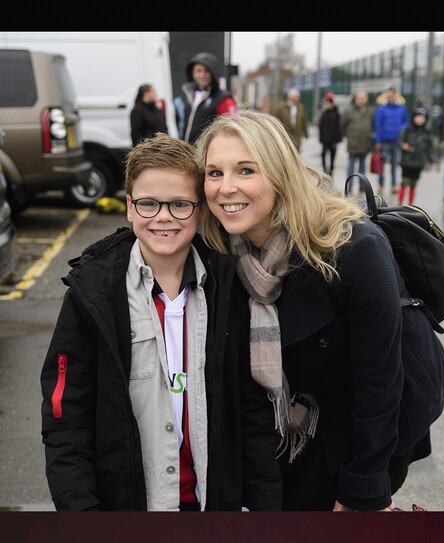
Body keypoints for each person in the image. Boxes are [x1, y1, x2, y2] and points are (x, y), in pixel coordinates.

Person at [39, 133, 282, 511]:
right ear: (129, 207)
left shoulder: (228, 289)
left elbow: (252, 415)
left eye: (180, 204)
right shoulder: (91, 295)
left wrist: (264, 509)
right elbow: (66, 418)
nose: (163, 217)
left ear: (200, 210)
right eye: (148, 204)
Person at [194, 110, 405, 512]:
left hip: (346, 446)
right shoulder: (219, 251)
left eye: (245, 170)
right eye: (214, 173)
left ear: (279, 174)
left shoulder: (352, 248)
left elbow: (380, 382)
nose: (226, 188)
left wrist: (364, 489)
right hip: (267, 451)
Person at [179, 52, 238, 145]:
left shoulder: (224, 99)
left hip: (207, 153)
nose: (203, 75)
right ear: (193, 73)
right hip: (188, 152)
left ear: (213, 73)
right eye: (199, 71)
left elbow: (231, 130)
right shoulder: (189, 95)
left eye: (207, 71)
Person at [396, 107, 438, 205]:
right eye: (418, 117)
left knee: (413, 184)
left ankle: (410, 205)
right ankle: (400, 203)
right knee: (404, 182)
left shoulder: (427, 132)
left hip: (419, 162)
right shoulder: (407, 129)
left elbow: (429, 148)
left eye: (422, 117)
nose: (420, 119)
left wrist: (432, 160)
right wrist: (404, 146)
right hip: (406, 161)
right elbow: (400, 141)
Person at [373, 87, 409, 194]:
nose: (389, 97)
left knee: (394, 164)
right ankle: (381, 185)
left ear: (395, 95)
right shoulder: (381, 109)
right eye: (387, 95)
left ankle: (394, 185)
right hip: (385, 141)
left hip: (397, 141)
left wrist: (401, 132)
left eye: (391, 95)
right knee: (381, 165)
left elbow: (406, 122)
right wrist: (378, 141)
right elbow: (378, 125)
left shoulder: (402, 109)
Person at [340, 91, 375, 192]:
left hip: (365, 143)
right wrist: (349, 135)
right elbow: (342, 125)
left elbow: (373, 125)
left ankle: (362, 185)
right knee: (351, 164)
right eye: (360, 98)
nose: (362, 100)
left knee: (363, 165)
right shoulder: (349, 111)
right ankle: (350, 184)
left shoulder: (370, 111)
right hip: (353, 143)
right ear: (355, 99)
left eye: (364, 98)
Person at [317, 92, 342, 177]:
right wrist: (321, 137)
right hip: (325, 139)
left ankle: (331, 170)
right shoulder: (324, 113)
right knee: (323, 154)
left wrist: (338, 138)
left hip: (333, 139)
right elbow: (321, 126)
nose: (327, 104)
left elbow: (339, 127)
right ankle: (324, 169)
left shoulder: (336, 113)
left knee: (332, 156)